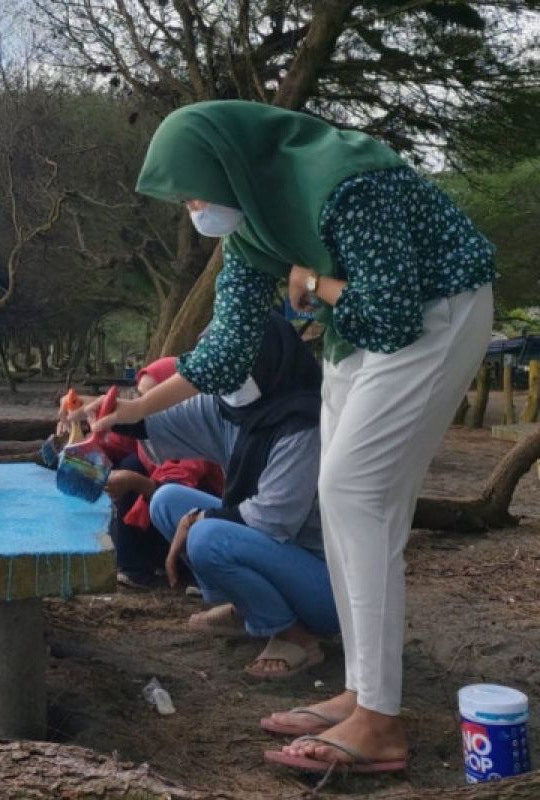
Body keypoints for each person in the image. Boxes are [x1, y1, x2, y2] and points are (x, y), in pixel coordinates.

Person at [93, 100, 495, 773]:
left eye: (196, 188)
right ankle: (364, 694)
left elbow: (388, 312)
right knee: (348, 510)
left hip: (434, 317)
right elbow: (221, 354)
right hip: (358, 336)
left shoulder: (346, 180)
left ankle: (380, 725)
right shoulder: (252, 230)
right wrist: (128, 413)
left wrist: (311, 281)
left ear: (229, 163)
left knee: (351, 492)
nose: (195, 207)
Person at [124, 313, 338, 679]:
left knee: (206, 536)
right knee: (166, 502)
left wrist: (199, 519)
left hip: (322, 581)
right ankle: (249, 609)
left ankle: (294, 636)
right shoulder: (230, 406)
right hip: (269, 548)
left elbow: (272, 520)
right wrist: (102, 411)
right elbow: (156, 421)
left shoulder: (303, 424)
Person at [96, 357, 223, 589]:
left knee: (136, 476)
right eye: (141, 396)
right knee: (130, 463)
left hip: (197, 523)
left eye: (154, 399)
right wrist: (76, 444)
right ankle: (135, 570)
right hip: (159, 521)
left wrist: (137, 483)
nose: (144, 405)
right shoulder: (144, 426)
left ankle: (198, 574)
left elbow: (180, 485)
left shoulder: (196, 433)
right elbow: (112, 445)